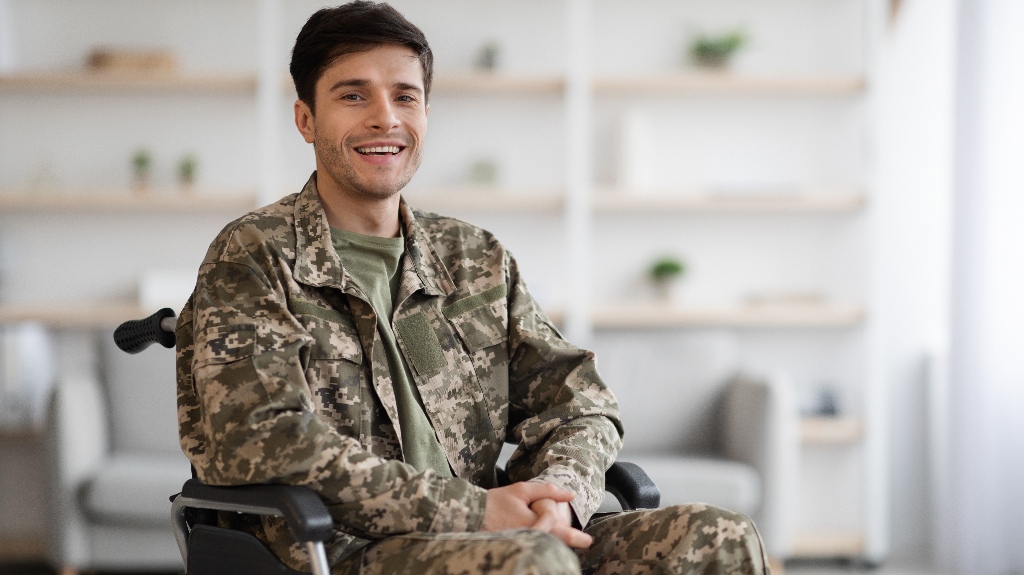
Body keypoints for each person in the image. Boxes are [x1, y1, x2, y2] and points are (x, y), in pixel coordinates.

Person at [175, 2, 771, 574]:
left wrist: (556, 499)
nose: (385, 116)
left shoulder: (475, 258)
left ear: (426, 115)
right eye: (353, 95)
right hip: (346, 550)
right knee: (532, 561)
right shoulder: (253, 254)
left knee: (717, 538)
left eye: (405, 96)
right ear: (306, 118)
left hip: (508, 540)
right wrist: (480, 512)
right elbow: (264, 441)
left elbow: (578, 403)